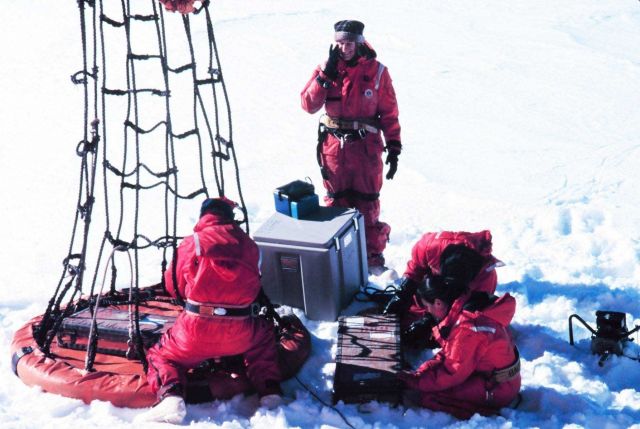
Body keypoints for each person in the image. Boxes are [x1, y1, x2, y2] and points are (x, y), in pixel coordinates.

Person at [135, 197, 283, 424]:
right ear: (230, 217)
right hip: (241, 330)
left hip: (195, 331)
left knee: (161, 355)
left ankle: (171, 397)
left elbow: (172, 285)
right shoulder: (250, 245)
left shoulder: (192, 243)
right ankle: (269, 391)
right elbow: (255, 286)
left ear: (204, 217)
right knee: (262, 339)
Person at [300, 20, 402, 274]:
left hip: (365, 148)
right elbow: (308, 105)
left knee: (367, 202)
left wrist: (394, 146)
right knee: (336, 201)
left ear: (359, 43)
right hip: (333, 148)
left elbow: (389, 113)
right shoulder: (326, 69)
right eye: (340, 43)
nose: (344, 48)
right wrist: (325, 77)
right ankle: (336, 256)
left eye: (349, 43)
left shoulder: (377, 72)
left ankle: (372, 258)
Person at [397, 276, 521, 419]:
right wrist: (420, 374)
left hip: (498, 388)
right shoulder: (462, 310)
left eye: (427, 306)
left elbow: (452, 372)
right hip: (491, 378)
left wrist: (416, 382)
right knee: (429, 385)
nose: (427, 311)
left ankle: (488, 414)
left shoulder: (468, 328)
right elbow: (449, 355)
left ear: (438, 303)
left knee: (430, 397)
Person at [383, 230, 503, 347]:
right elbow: (416, 266)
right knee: (403, 314)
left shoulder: (486, 279)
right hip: (431, 292)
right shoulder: (431, 246)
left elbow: (465, 313)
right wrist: (403, 292)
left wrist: (430, 322)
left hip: (453, 304)